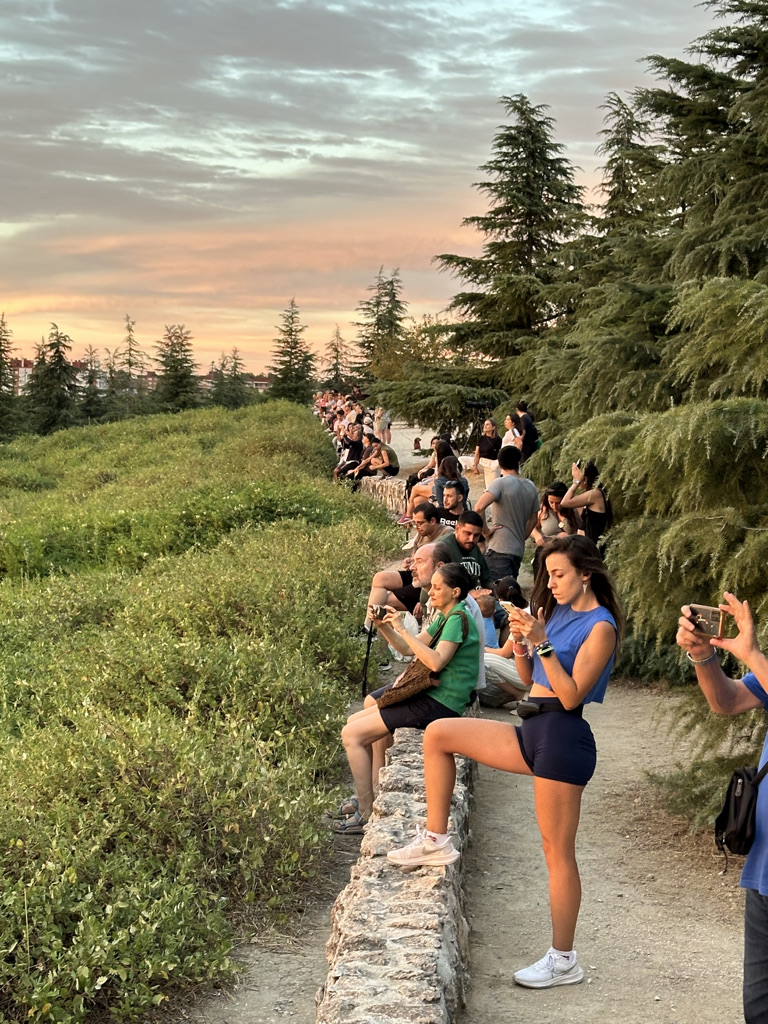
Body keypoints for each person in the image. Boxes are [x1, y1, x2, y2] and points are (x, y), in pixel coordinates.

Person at [387, 535, 623, 991]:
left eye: (559, 575)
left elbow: (572, 694)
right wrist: (521, 644)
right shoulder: (554, 613)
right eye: (547, 575)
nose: (550, 584)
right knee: (439, 734)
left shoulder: (602, 626)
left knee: (557, 853)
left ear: (586, 573)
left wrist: (544, 642)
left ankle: (563, 959)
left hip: (563, 736)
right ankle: (436, 840)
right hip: (532, 727)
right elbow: (532, 677)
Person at [334, 563, 480, 834]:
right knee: (355, 720)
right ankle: (371, 796)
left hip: (440, 701)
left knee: (351, 735)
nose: (431, 592)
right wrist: (384, 626)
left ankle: (366, 812)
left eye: (437, 588)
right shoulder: (446, 616)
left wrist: (402, 629)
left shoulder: (459, 619)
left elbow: (436, 662)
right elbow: (406, 648)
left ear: (455, 591)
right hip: (431, 694)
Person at [676, 593, 768, 1023]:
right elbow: (727, 701)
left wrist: (751, 653)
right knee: (759, 1007)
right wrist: (703, 655)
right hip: (765, 869)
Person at [363, 505, 454, 629]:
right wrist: (410, 561)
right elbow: (415, 556)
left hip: (429, 580)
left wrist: (424, 600)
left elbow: (443, 568)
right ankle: (367, 627)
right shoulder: (421, 534)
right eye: (415, 523)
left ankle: (381, 638)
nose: (417, 527)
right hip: (417, 573)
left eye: (420, 523)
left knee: (386, 602)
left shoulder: (447, 534)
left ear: (432, 521)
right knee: (380, 578)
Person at [474, 445, 539, 581]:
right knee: (509, 594)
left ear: (499, 463)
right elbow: (533, 519)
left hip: (499, 548)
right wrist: (522, 536)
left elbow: (479, 508)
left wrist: (485, 531)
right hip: (517, 551)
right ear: (518, 462)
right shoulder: (531, 486)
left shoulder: (500, 483)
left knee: (497, 597)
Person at [531, 481, 581, 577]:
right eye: (551, 502)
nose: (554, 506)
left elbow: (582, 532)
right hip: (546, 550)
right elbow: (531, 526)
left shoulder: (574, 509)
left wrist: (570, 536)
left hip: (567, 552)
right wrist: (537, 535)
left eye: (558, 503)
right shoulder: (543, 509)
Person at [561, 461, 612, 550]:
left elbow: (565, 502)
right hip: (587, 545)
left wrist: (576, 482)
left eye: (575, 478)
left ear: (584, 478)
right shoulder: (592, 493)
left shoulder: (596, 493)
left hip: (595, 547)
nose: (574, 480)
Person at [440, 511, 495, 591]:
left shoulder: (473, 547)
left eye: (476, 535)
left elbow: (486, 579)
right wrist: (469, 596)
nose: (471, 539)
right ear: (457, 529)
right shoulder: (442, 547)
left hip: (478, 599)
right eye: (468, 533)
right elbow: (439, 587)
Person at [460, 418, 503, 489]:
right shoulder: (482, 438)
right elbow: (477, 453)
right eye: (484, 424)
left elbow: (500, 453)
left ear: (493, 427)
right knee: (461, 459)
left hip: (491, 465)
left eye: (488, 424)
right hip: (481, 462)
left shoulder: (498, 439)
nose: (485, 426)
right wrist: (475, 466)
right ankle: (458, 480)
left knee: (491, 488)